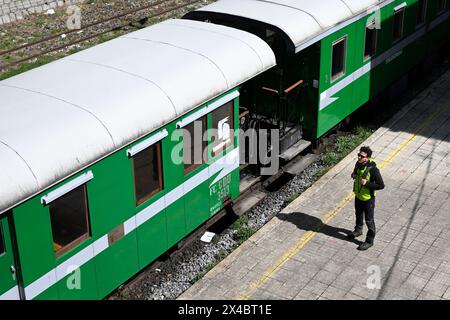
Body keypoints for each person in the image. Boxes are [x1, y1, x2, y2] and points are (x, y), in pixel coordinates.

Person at [347, 146, 385, 250]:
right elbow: (355, 171)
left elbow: (381, 185)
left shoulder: (373, 170)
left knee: (369, 220)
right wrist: (354, 174)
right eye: (358, 155)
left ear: (367, 157)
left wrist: (367, 184)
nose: (359, 157)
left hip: (368, 199)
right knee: (358, 214)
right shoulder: (358, 164)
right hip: (358, 196)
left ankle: (369, 241)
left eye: (361, 156)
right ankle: (358, 230)